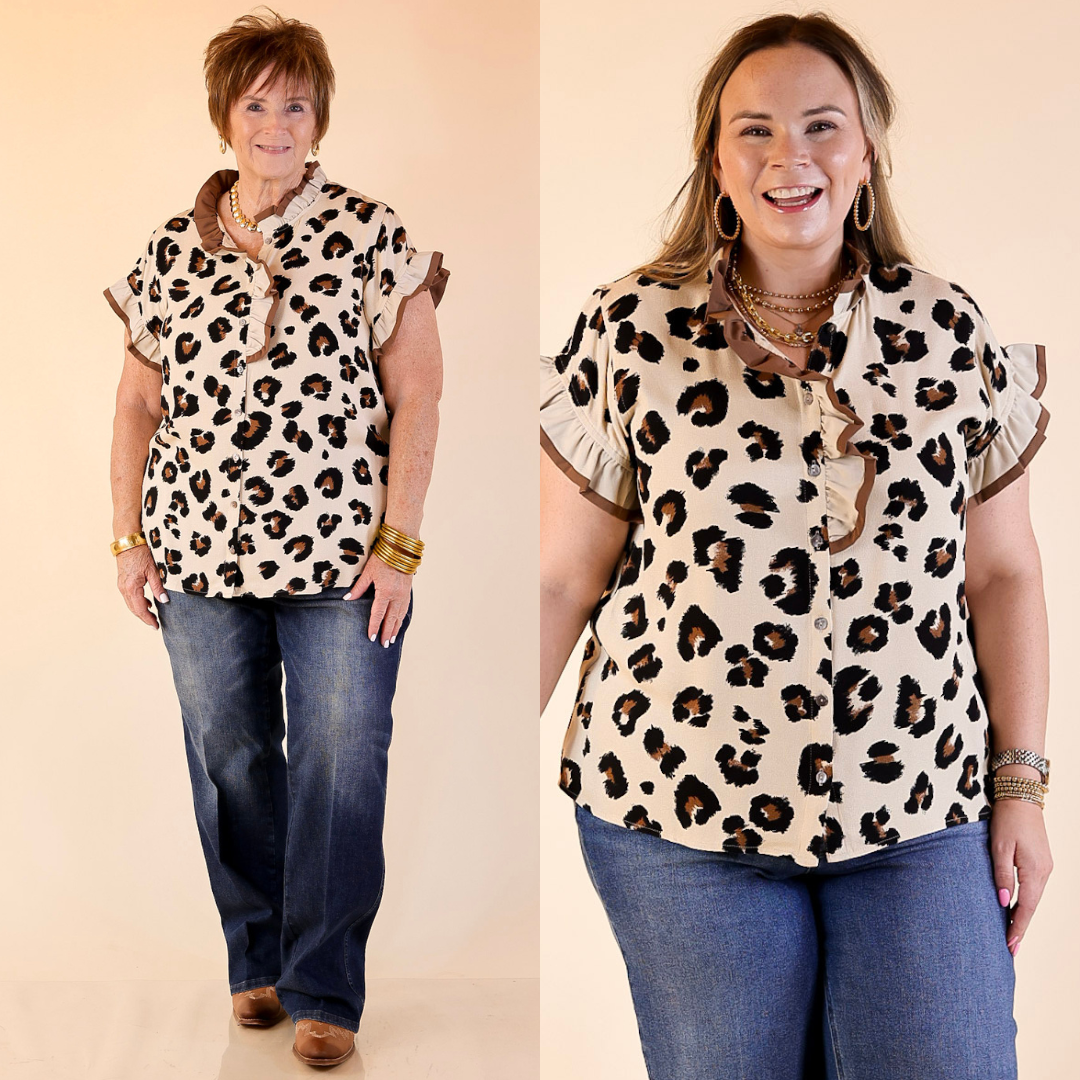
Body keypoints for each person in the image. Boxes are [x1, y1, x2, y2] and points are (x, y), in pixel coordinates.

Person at [539, 12, 1051, 1080]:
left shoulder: (949, 333)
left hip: (920, 803)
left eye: (823, 126)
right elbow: (561, 578)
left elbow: (1001, 572)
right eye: (756, 131)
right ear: (716, 163)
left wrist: (1022, 789)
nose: (790, 157)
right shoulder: (633, 330)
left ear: (866, 154)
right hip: (676, 808)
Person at [106, 12, 447, 1069]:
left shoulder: (372, 231)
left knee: (342, 764)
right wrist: (126, 537)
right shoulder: (171, 247)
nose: (275, 122)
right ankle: (254, 958)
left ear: (319, 117)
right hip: (199, 560)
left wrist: (400, 546)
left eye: (294, 103)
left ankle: (325, 988)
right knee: (233, 761)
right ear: (226, 118)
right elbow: (133, 406)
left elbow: (420, 394)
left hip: (340, 564)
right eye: (255, 103)